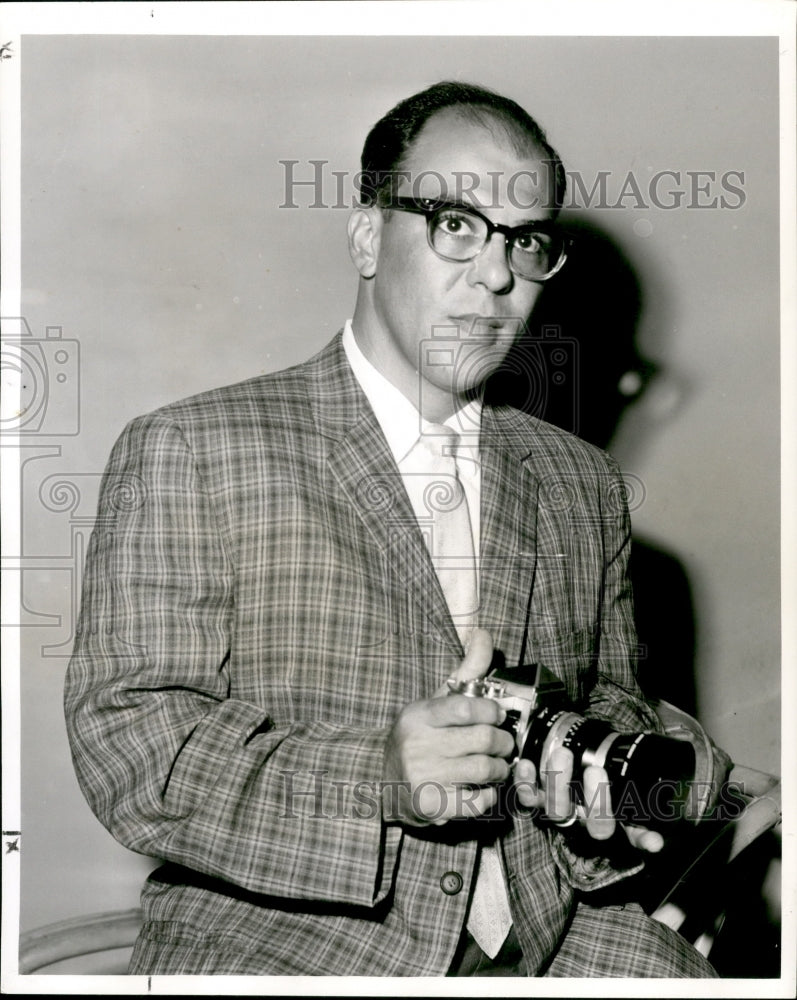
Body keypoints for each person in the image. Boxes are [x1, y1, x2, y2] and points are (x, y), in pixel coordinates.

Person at [64, 81, 718, 977]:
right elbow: (131, 748)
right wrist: (376, 773)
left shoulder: (582, 480)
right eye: (455, 222)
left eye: (524, 243)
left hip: (552, 935)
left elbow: (613, 703)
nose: (494, 275)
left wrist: (594, 774)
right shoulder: (193, 447)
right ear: (368, 235)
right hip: (288, 945)